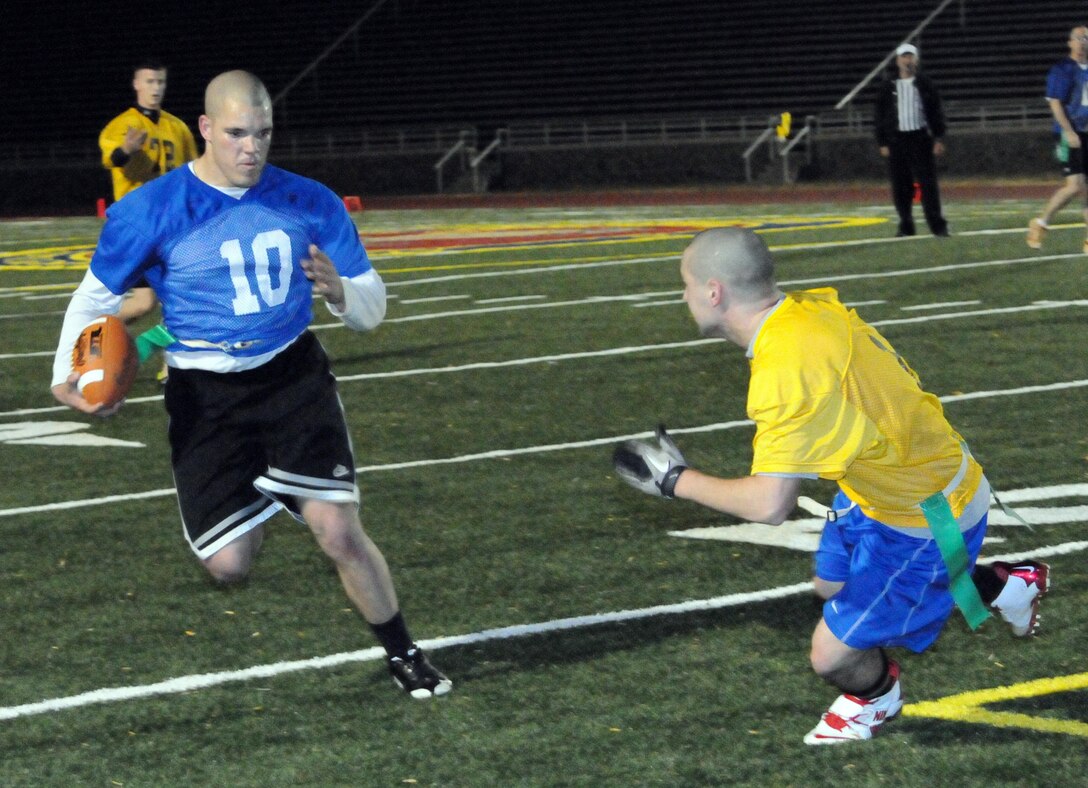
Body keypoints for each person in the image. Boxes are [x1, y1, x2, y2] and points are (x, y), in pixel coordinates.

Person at [53, 70, 451, 699]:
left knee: (339, 530)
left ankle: (403, 650)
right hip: (203, 390)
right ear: (206, 129)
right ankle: (274, 489)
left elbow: (374, 308)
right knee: (228, 565)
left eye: (263, 133)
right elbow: (92, 300)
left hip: (291, 376)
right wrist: (67, 374)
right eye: (237, 133)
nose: (251, 149)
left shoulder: (310, 199)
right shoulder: (149, 210)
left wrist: (341, 290)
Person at [612, 228, 1050, 745]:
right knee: (831, 587)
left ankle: (875, 698)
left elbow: (770, 505)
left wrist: (673, 481)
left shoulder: (786, 364)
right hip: (887, 480)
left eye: (684, 284)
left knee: (831, 655)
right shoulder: (799, 313)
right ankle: (1002, 584)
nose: (681, 296)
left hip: (926, 511)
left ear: (714, 291)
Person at [99, 59, 199, 377]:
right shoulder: (121, 125)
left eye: (161, 82)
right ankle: (97, 337)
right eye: (150, 82)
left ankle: (166, 364)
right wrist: (126, 150)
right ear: (136, 84)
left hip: (172, 228)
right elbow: (112, 158)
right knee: (147, 304)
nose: (156, 88)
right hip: (138, 227)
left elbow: (195, 173)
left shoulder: (178, 127)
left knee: (175, 298)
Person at [873, 43, 950, 237]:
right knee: (900, 186)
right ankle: (906, 225)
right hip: (897, 140)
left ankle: (937, 226)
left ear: (916, 59)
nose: (907, 60)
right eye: (904, 57)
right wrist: (882, 141)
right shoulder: (888, 85)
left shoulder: (925, 83)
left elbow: (935, 110)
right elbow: (879, 115)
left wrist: (938, 136)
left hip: (920, 138)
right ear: (898, 60)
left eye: (911, 57)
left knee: (928, 185)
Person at [1026, 26, 1088, 251]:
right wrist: (1069, 131)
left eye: (1086, 39)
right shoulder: (1062, 69)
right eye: (1079, 38)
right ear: (1070, 42)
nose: (1083, 42)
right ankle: (1041, 223)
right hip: (1069, 132)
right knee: (1074, 186)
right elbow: (1055, 103)